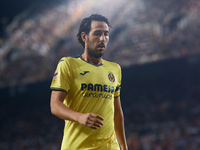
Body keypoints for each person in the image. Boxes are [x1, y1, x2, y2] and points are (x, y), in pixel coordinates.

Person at [50, 14, 128, 150]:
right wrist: (79, 117)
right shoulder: (68, 64)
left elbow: (116, 112)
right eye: (97, 33)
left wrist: (123, 147)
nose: (102, 39)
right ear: (84, 37)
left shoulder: (115, 69)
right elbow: (55, 105)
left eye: (106, 34)